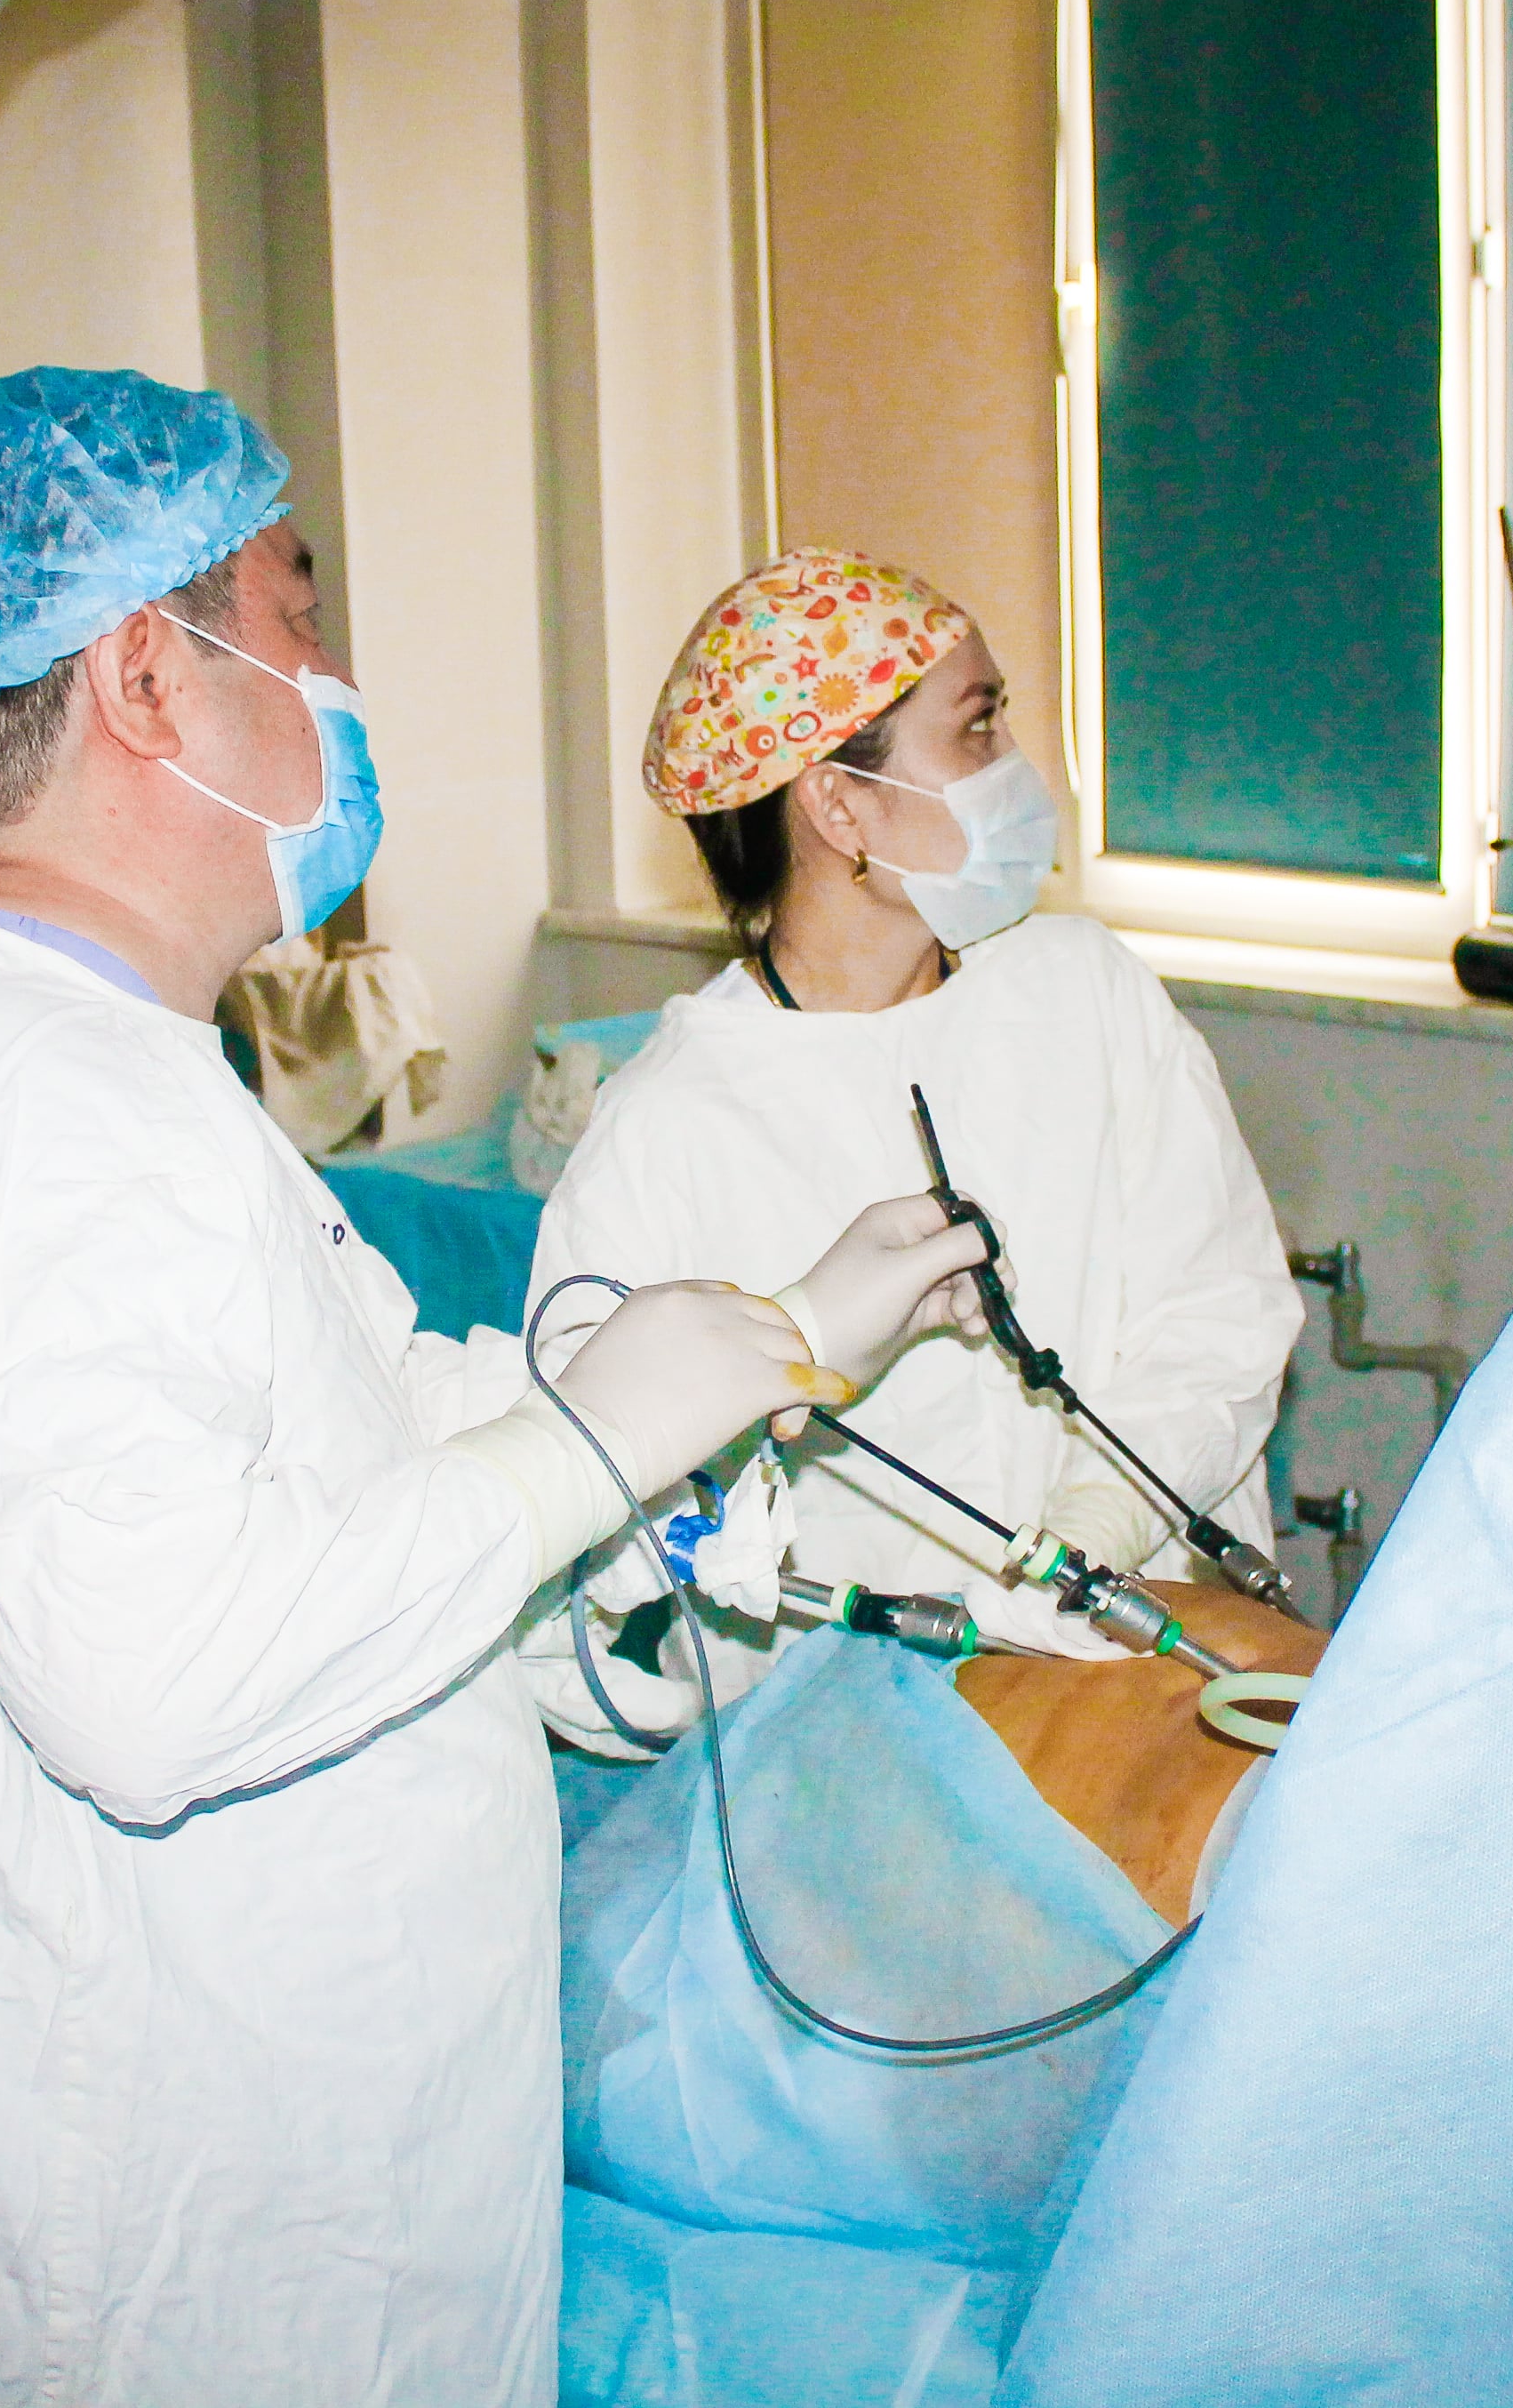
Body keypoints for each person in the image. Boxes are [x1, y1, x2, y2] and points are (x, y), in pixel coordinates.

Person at [0, 367, 985, 2407]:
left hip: (147, 2194)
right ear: (143, 675)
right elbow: (159, 1675)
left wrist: (726, 1383)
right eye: (298, 617)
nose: (339, 684)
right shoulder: (26, 1106)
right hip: (170, 2272)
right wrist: (587, 1440)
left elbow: (323, 1435)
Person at [528, 547, 1305, 1746]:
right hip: (871, 1746)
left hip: (1161, 1664)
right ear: (839, 806)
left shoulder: (1084, 993)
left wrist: (1098, 1526)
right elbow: (598, 1502)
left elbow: (1225, 1311)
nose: (1019, 767)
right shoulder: (670, 1131)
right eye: (978, 728)